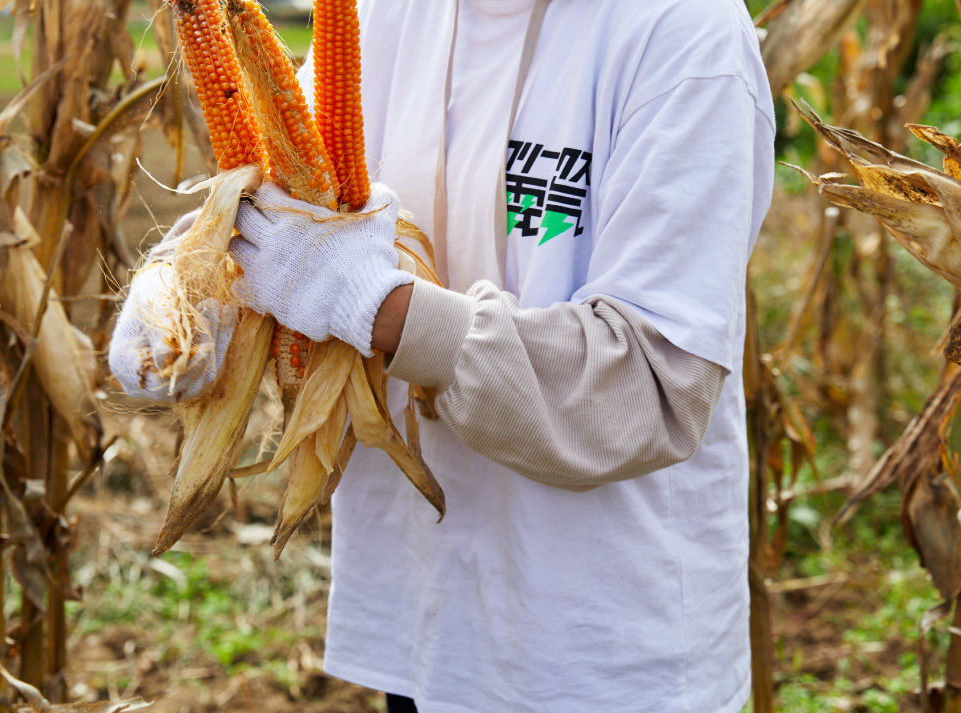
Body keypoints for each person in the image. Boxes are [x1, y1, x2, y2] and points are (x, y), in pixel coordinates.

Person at [110, 0, 775, 711]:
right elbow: (287, 210)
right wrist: (197, 285)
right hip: (426, 626)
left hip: (605, 655)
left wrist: (379, 306)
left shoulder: (683, 32)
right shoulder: (385, 10)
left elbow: (647, 388)